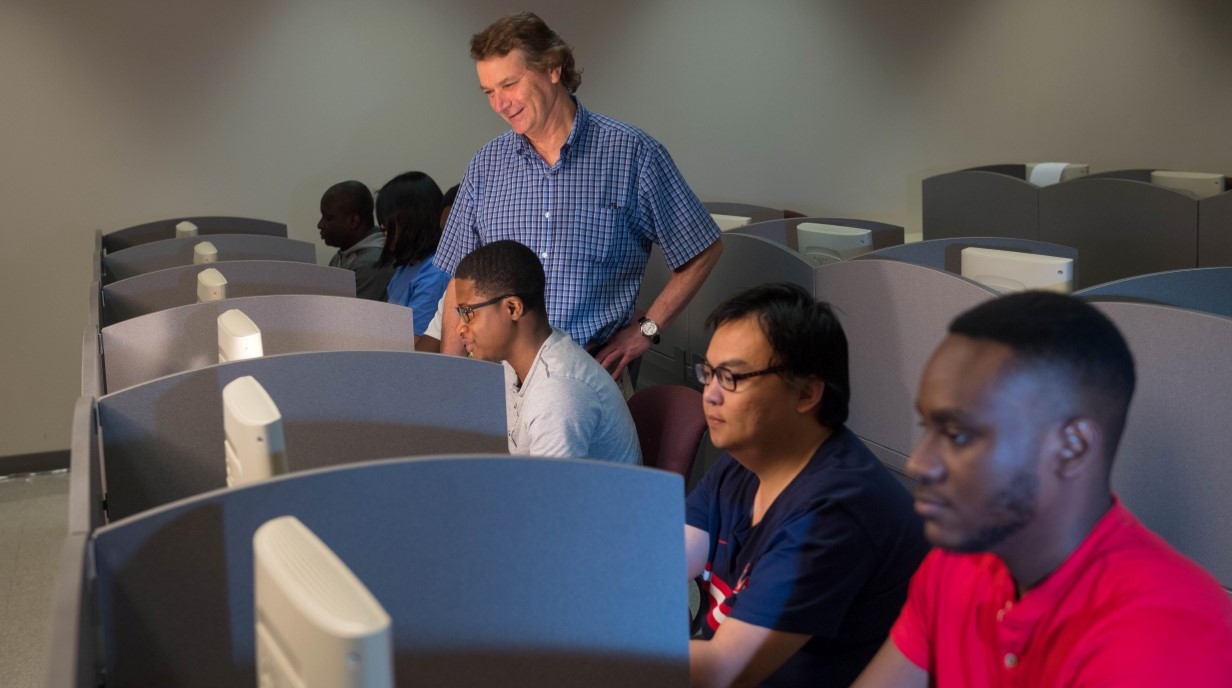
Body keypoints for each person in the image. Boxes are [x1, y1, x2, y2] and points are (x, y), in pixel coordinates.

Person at [853, 292, 1232, 687]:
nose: (918, 463)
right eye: (926, 428)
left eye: (958, 435)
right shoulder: (958, 562)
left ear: (1072, 448)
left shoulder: (1166, 635)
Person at [434, 11, 723, 387]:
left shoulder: (632, 153)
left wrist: (646, 330)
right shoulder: (486, 164)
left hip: (591, 379)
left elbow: (702, 248)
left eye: (509, 84)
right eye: (489, 92)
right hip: (500, 385)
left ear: (553, 68)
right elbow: (460, 279)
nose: (500, 104)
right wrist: (449, 381)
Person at [685, 283, 928, 688]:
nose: (709, 395)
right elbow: (659, 565)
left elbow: (722, 672)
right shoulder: (743, 464)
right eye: (708, 373)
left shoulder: (836, 511)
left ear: (806, 392)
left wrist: (588, 647)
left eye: (731, 377)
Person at [453, 239, 641, 464]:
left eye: (467, 313)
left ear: (513, 308)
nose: (459, 329)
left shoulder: (557, 393)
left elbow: (548, 497)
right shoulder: (516, 363)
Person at [375, 171, 451, 343]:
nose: (382, 226)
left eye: (388, 220)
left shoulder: (435, 272)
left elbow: (414, 344)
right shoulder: (406, 267)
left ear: (413, 219)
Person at [318, 180, 394, 300]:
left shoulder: (372, 263)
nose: (320, 225)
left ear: (353, 221)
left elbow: (353, 316)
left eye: (328, 218)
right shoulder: (343, 254)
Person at [416, 184, 459, 354]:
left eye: (455, 235)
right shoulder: (454, 291)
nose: (445, 247)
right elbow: (420, 360)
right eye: (443, 235)